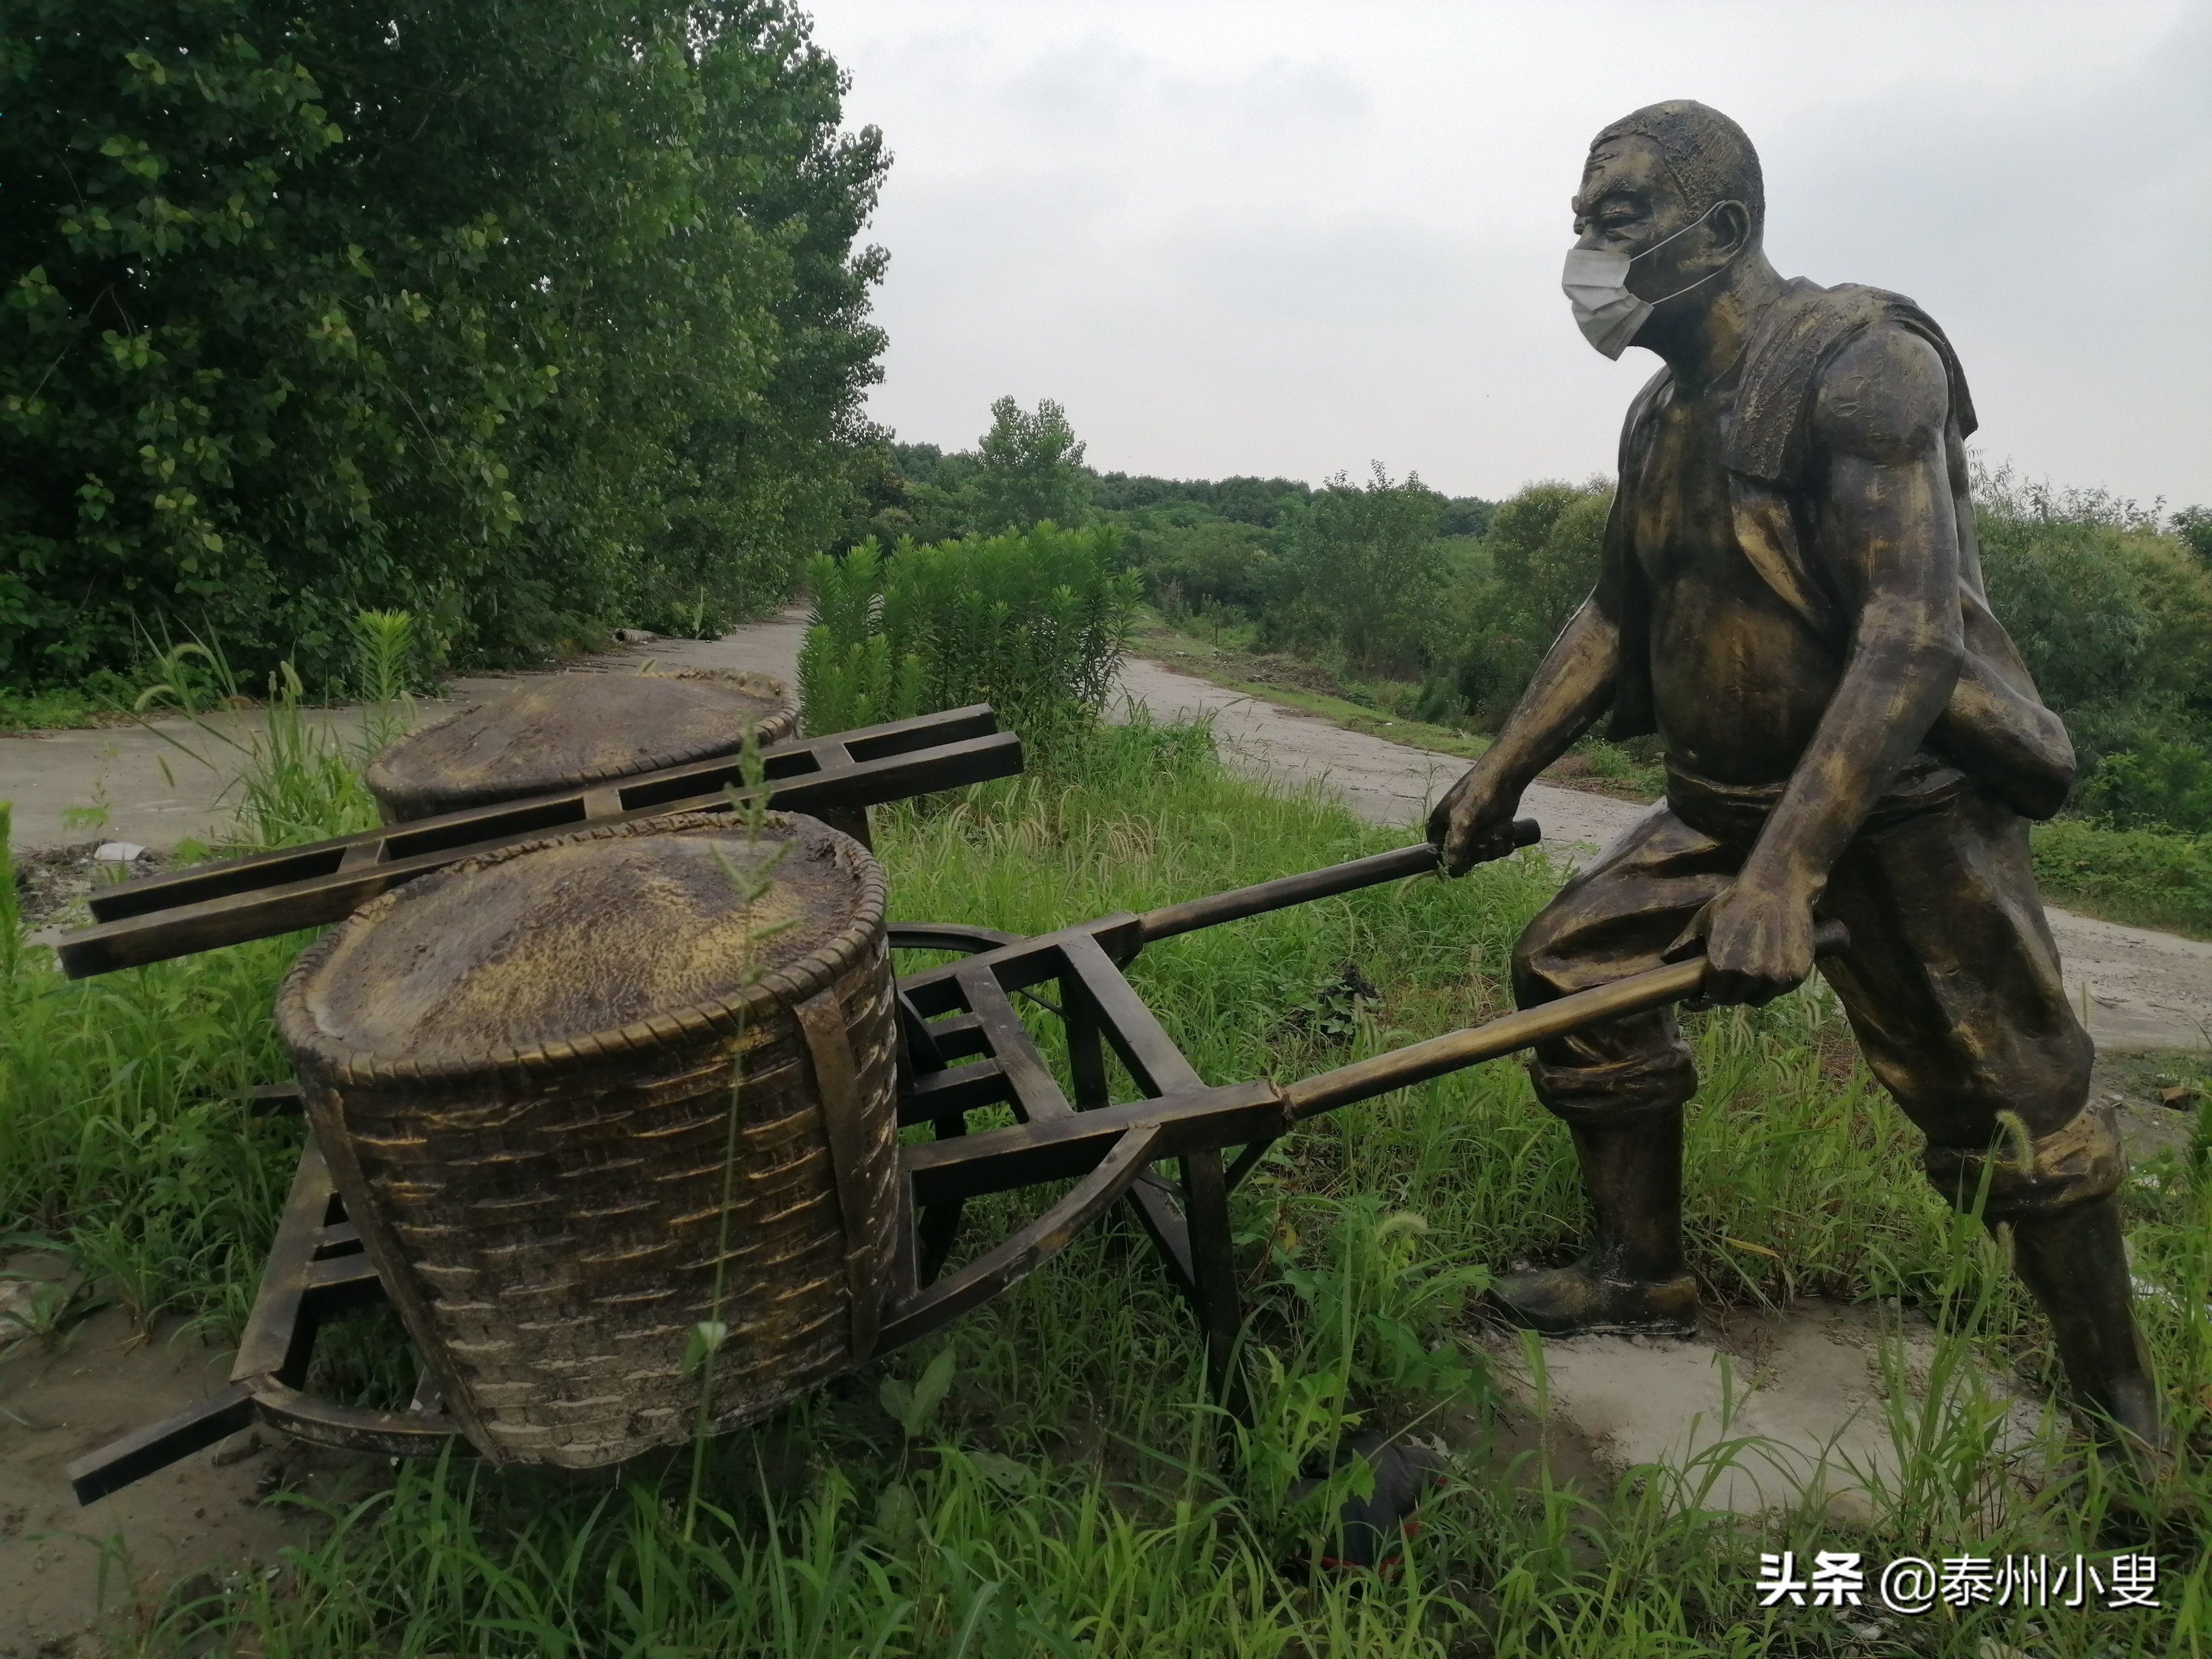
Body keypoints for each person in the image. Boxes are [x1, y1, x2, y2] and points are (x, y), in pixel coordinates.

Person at [1427, 100, 2163, 1456]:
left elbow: (1909, 636)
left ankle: (2124, 1420)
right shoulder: (1661, 413)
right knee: (1574, 967)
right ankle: (1638, 1273)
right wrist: (1499, 768)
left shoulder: (1863, 366)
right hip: (1719, 807)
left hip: (1895, 812)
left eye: (1619, 218)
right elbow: (1616, 616)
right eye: (1582, 223)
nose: (1588, 254)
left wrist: (1783, 875)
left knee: (2014, 1109)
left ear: (1721, 229)